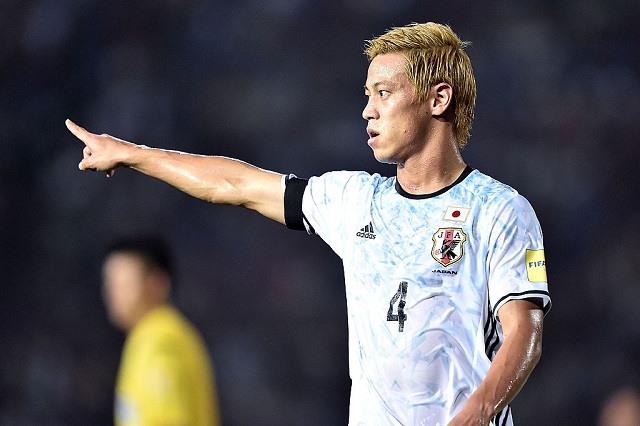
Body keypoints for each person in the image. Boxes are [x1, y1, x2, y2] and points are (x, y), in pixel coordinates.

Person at [68, 22, 550, 425]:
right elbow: (237, 184)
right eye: (367, 95)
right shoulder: (355, 201)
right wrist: (134, 154)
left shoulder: (501, 211)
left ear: (438, 99)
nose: (368, 110)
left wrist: (476, 414)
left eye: (384, 93)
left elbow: (523, 333)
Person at [101, 235, 220, 426]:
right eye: (109, 282)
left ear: (157, 283)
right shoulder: (149, 336)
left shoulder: (160, 339)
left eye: (122, 282)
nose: (111, 292)